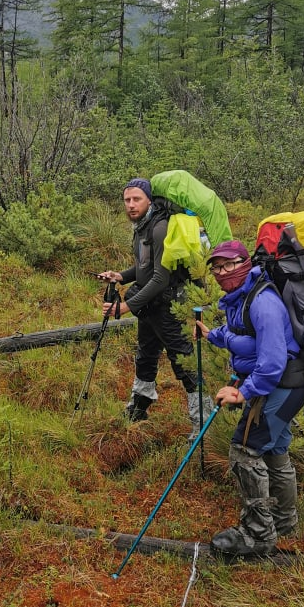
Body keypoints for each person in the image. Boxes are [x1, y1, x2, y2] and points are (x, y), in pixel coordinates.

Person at [196, 239, 304, 555]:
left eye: (229, 264)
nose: (222, 272)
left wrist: (241, 392)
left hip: (281, 385)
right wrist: (211, 335)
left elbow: (272, 362)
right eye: (217, 266)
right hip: (283, 385)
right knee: (274, 450)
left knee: (245, 451)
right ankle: (284, 522)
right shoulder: (240, 299)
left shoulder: (263, 303)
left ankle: (258, 535)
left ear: (245, 263)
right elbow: (241, 335)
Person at [99, 177, 206, 437]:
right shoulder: (142, 226)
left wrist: (125, 307)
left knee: (183, 361)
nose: (131, 205)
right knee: (146, 354)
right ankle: (140, 405)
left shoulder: (159, 228)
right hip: (149, 304)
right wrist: (121, 277)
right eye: (127, 200)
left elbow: (161, 278)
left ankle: (201, 419)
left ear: (149, 200)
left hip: (168, 305)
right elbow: (144, 267)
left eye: (137, 199)